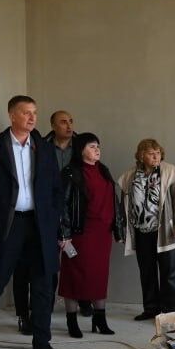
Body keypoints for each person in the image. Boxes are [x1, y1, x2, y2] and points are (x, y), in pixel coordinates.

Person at [0, 95, 67, 349]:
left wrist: (56, 223)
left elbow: (56, 189)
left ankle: (42, 344)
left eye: (34, 112)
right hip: (7, 225)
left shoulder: (43, 148)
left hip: (39, 225)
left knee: (44, 284)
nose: (32, 118)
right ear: (12, 115)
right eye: (26, 113)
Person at [12, 110, 75, 335]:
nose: (69, 125)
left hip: (52, 217)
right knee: (21, 271)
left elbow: (58, 190)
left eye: (71, 121)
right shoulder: (41, 145)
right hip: (24, 219)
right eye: (63, 122)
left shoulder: (76, 147)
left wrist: (58, 219)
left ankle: (42, 317)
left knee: (49, 271)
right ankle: (23, 315)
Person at [58, 133, 124, 336]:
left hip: (102, 234)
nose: (97, 150)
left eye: (98, 146)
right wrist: (64, 234)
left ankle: (100, 319)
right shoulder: (70, 172)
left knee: (99, 276)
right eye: (92, 146)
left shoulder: (103, 170)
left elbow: (113, 201)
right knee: (74, 275)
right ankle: (71, 321)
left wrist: (118, 228)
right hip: (79, 234)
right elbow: (62, 205)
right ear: (80, 150)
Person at [119, 139, 175, 320]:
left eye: (158, 153)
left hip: (166, 231)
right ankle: (151, 309)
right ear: (141, 156)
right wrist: (122, 228)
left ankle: (171, 313)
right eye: (151, 153)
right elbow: (123, 205)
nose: (156, 156)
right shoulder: (129, 177)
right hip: (141, 231)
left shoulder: (171, 172)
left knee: (170, 273)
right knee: (147, 272)